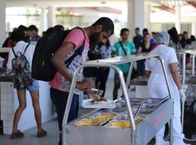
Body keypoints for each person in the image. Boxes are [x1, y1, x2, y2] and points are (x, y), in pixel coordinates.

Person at [49, 17, 114, 145]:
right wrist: (76, 83)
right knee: (68, 133)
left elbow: (75, 67)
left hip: (71, 91)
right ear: (98, 27)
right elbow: (57, 59)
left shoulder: (85, 40)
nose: (103, 40)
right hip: (63, 91)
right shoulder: (78, 34)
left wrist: (88, 90)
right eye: (104, 36)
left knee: (70, 132)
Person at [144, 31, 189, 145]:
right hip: (166, 84)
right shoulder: (170, 50)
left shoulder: (152, 52)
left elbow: (146, 73)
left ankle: (159, 140)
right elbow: (173, 70)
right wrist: (180, 89)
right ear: (167, 40)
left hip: (152, 84)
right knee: (174, 112)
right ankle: (177, 141)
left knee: (158, 113)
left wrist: (156, 74)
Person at [7, 30, 47, 139]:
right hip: (31, 78)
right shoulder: (31, 47)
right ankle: (39, 130)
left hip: (19, 80)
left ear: (14, 40)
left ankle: (14, 131)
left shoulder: (12, 50)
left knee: (21, 105)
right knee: (36, 104)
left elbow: (9, 68)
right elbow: (36, 63)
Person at [112, 28, 136, 100]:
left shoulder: (131, 45)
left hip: (127, 69)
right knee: (116, 86)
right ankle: (114, 101)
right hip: (118, 69)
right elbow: (113, 54)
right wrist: (114, 55)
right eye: (125, 34)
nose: (126, 36)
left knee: (125, 88)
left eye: (127, 34)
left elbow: (134, 55)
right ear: (121, 35)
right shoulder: (116, 45)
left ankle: (124, 102)